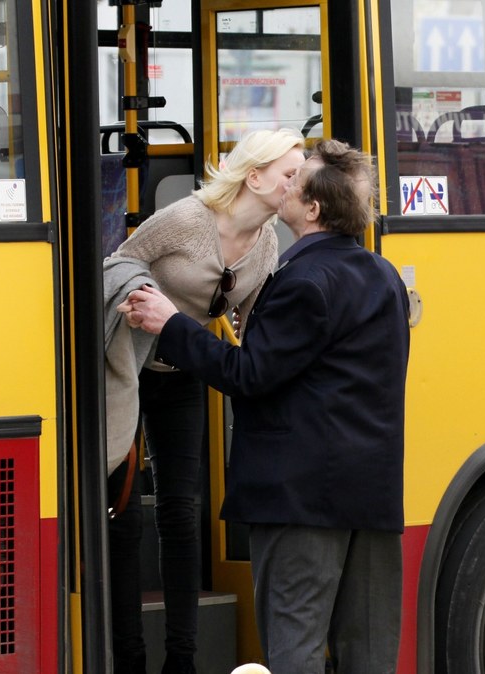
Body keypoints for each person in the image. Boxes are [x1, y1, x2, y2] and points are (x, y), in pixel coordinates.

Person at [122, 139, 410, 674]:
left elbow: (247, 374)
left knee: (294, 647)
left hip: (300, 501)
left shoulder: (302, 280)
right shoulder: (384, 277)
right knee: (367, 653)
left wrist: (172, 323)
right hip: (373, 497)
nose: (288, 185)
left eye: (297, 182)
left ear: (313, 209)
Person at [102, 128, 307, 674]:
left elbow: (255, 314)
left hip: (184, 373)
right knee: (122, 514)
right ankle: (128, 659)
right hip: (128, 372)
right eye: (289, 173)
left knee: (181, 510)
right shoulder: (187, 220)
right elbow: (120, 263)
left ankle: (182, 660)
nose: (297, 183)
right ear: (255, 174)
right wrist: (140, 303)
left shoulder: (265, 239)